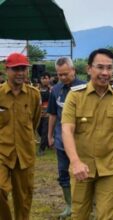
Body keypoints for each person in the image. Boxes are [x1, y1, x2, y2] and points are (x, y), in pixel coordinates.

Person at [61, 48, 113, 219]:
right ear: (89, 69)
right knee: (79, 214)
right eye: (100, 67)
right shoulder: (75, 96)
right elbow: (67, 130)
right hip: (82, 167)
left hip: (109, 167)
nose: (105, 72)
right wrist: (75, 162)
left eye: (109, 68)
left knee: (106, 215)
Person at [0, 53, 41, 219]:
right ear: (6, 69)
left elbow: (35, 121)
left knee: (23, 198)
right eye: (16, 69)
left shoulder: (34, 94)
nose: (20, 73)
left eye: (23, 69)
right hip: (2, 152)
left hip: (25, 154)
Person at [47, 57, 86, 218]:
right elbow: (53, 114)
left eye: (65, 74)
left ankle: (87, 205)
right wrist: (49, 135)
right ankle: (69, 205)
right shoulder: (55, 90)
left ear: (73, 70)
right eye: (59, 75)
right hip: (61, 139)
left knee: (85, 173)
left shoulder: (85, 88)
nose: (62, 77)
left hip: (82, 139)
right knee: (63, 172)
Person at [37, 72, 51, 156]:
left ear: (49, 79)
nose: (45, 80)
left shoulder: (52, 89)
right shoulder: (36, 89)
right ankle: (47, 142)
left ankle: (41, 149)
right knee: (39, 130)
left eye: (46, 78)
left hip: (48, 113)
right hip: (39, 113)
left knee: (45, 130)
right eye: (43, 78)